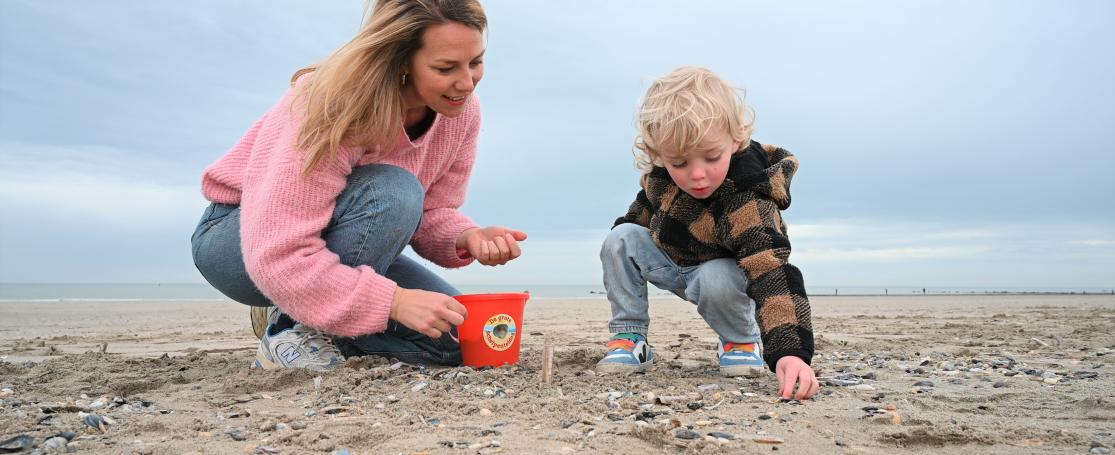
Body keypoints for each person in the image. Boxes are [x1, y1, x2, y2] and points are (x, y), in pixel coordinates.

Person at [191, 0, 526, 372]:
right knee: (394, 190)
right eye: (445, 68)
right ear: (400, 62)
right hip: (244, 241)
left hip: (340, 244)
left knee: (456, 339)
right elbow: (278, 253)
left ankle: (318, 319)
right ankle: (290, 326)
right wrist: (393, 303)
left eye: (475, 62)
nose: (466, 83)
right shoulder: (330, 104)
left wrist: (467, 237)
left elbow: (429, 212)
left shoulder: (461, 112)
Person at [597, 66, 818, 400]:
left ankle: (740, 340)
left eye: (712, 157)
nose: (696, 175)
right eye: (680, 163)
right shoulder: (662, 174)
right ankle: (630, 338)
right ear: (659, 153)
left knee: (716, 274)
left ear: (736, 140)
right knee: (621, 237)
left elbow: (772, 272)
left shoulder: (746, 197)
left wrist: (791, 351)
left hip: (724, 278)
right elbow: (641, 214)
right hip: (673, 262)